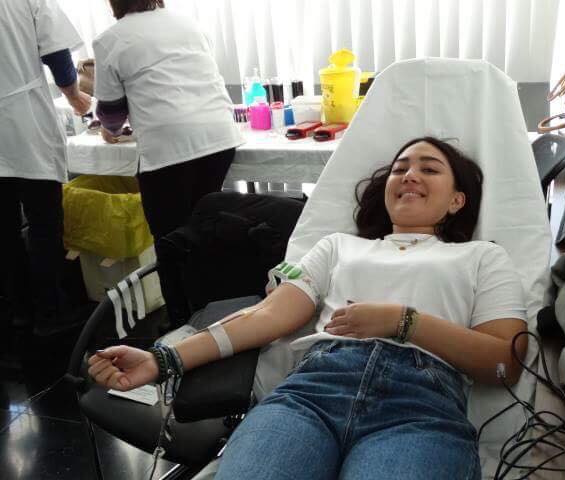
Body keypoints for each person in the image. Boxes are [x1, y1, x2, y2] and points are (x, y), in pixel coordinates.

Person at [89, 137, 528, 479]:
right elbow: (265, 316)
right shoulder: (338, 247)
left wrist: (404, 323)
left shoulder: (482, 257)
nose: (410, 175)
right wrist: (162, 359)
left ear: (457, 200)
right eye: (400, 169)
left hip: (419, 408)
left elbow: (503, 363)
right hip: (312, 394)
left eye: (429, 169)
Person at [93, 0, 244, 327]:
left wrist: (110, 130)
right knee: (204, 228)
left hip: (168, 146)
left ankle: (180, 322)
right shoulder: (187, 23)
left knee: (169, 238)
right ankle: (216, 313)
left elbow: (111, 111)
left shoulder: (110, 39)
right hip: (218, 135)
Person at [0, 0, 92, 336]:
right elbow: (56, 53)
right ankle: (51, 312)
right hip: (25, 122)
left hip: (16, 121)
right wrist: (74, 95)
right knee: (44, 223)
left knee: (4, 230)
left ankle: (19, 310)